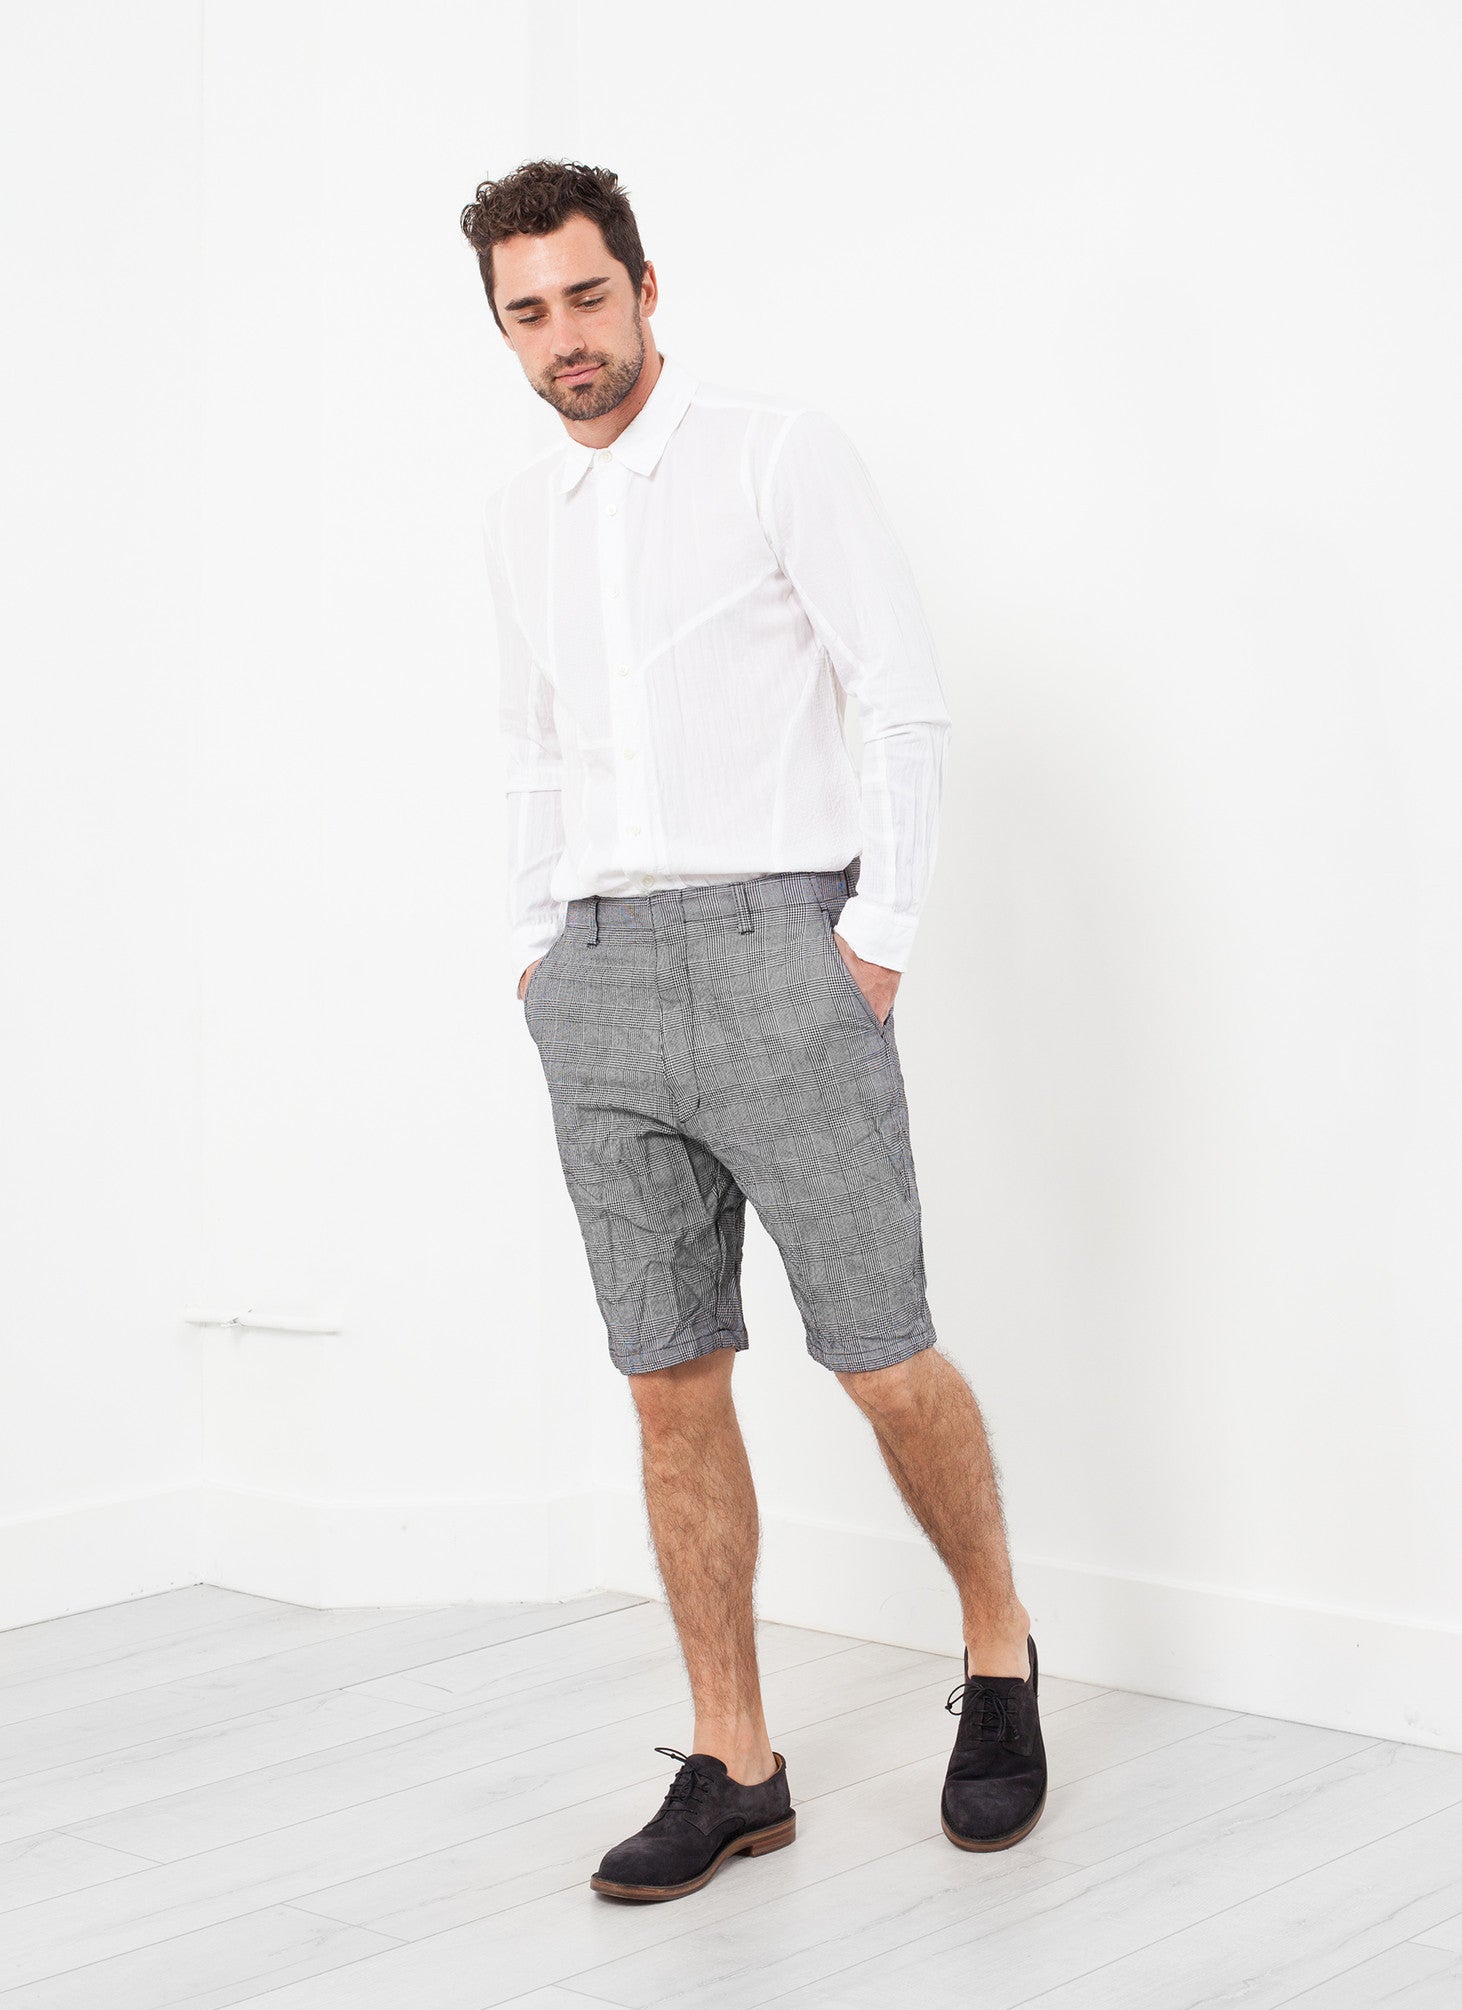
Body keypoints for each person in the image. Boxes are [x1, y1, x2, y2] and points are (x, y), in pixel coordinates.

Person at [460, 159, 1046, 1903]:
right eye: (525, 314)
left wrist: (871, 943)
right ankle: (735, 1764)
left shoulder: (778, 454)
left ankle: (998, 1650)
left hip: (783, 949)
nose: (563, 338)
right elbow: (529, 747)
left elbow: (900, 698)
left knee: (880, 1353)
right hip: (600, 978)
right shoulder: (520, 518)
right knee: (666, 1383)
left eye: (585, 296)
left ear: (644, 287)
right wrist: (534, 951)